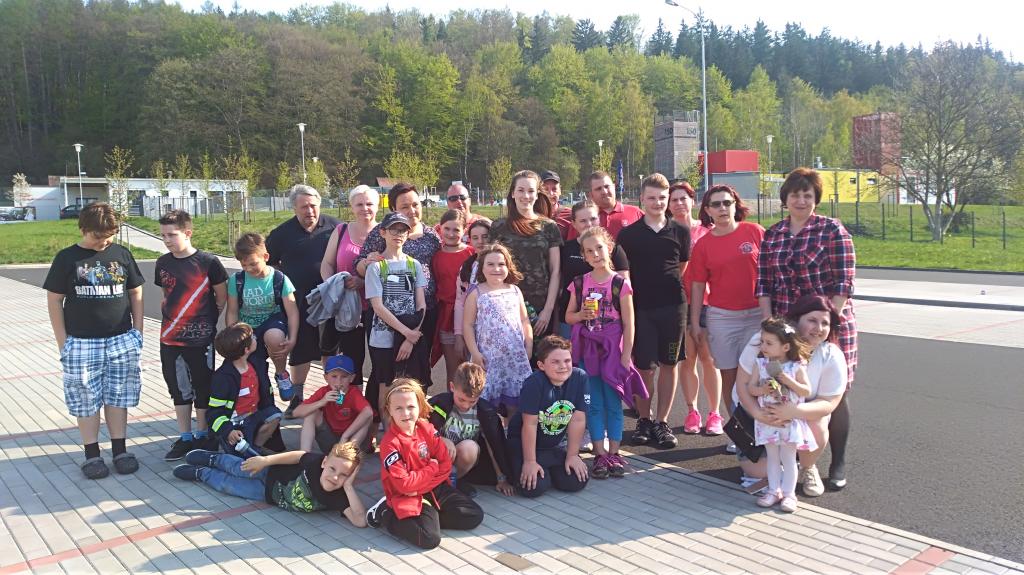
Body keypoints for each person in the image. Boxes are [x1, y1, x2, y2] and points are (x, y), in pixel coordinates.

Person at [756, 167, 856, 490]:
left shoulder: (832, 230)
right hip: (787, 328)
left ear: (816, 199)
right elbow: (764, 283)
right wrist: (770, 327)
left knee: (832, 394)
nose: (801, 200)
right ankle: (795, 458)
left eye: (808, 195)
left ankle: (835, 461)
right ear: (785, 199)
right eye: (795, 195)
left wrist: (825, 326)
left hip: (826, 326)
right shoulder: (773, 234)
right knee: (789, 389)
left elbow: (843, 283)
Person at [44, 202, 145, 479]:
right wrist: (63, 342)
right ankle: (92, 455)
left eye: (109, 236)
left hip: (121, 340)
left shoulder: (121, 254)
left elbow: (136, 292)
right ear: (83, 229)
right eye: (98, 236)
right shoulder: (67, 258)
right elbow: (54, 300)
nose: (104, 242)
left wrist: (138, 332)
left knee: (118, 395)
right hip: (81, 342)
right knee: (85, 397)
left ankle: (120, 450)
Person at [735, 295, 848, 497]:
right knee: (757, 472)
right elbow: (742, 386)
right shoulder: (764, 341)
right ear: (796, 320)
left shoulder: (831, 354)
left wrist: (793, 411)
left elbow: (829, 402)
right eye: (812, 320)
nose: (819, 328)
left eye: (825, 323)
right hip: (758, 415)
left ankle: (807, 465)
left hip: (797, 419)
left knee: (818, 420)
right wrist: (759, 414)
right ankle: (782, 467)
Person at [564, 227, 646, 479]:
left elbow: (629, 323)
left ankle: (615, 453)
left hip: (613, 352)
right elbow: (568, 317)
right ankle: (600, 454)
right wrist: (581, 315)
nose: (595, 254)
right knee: (593, 403)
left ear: (609, 248)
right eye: (589, 251)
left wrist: (626, 355)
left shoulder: (620, 284)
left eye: (599, 248)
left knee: (613, 402)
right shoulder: (580, 283)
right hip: (588, 351)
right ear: (584, 256)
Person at [616, 173, 690, 449]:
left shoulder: (680, 231)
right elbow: (622, 271)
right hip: (641, 309)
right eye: (652, 198)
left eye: (662, 198)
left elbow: (680, 267)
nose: (657, 202)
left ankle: (662, 421)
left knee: (670, 364)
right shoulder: (628, 235)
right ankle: (644, 420)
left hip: (673, 307)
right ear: (642, 200)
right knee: (645, 368)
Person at [365, 380, 484, 550]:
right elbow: (405, 486)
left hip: (432, 488)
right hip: (407, 495)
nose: (406, 413)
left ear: (420, 406)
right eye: (398, 408)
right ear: (389, 410)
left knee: (474, 515)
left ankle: (428, 518)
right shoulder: (390, 444)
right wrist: (432, 468)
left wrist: (421, 484)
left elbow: (445, 465)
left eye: (410, 407)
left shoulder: (426, 428)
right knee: (430, 539)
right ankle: (386, 514)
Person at [687, 185, 765, 439]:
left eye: (727, 203)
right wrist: (695, 322)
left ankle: (761, 430)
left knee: (756, 375)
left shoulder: (755, 232)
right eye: (716, 204)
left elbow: (771, 272)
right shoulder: (703, 245)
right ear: (708, 210)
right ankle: (740, 434)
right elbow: (697, 286)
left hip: (756, 315)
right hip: (722, 318)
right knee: (730, 376)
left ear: (735, 205)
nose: (722, 208)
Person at [155, 209, 228, 460]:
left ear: (187, 233)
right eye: (163, 235)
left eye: (172, 235)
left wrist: (206, 322)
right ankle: (185, 436)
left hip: (200, 339)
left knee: (202, 386)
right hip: (169, 338)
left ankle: (202, 434)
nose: (167, 240)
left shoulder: (208, 262)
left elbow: (221, 297)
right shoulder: (162, 263)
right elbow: (167, 295)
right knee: (178, 388)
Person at [356, 183, 442, 389]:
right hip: (386, 316)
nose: (412, 210)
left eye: (415, 204)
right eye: (405, 206)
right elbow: (359, 265)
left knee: (418, 368)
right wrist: (368, 262)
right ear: (394, 208)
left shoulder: (432, 235)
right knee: (384, 373)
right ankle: (382, 408)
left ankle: (414, 406)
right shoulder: (381, 232)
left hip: (422, 313)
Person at [266, 185, 341, 417]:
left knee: (331, 349)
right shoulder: (281, 234)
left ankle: (334, 397)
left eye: (313, 206)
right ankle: (297, 399)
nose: (310, 211)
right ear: (294, 208)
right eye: (304, 207)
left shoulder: (336, 227)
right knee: (300, 351)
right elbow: (268, 264)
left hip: (330, 301)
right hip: (297, 303)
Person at [172, 440, 368, 526]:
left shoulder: (338, 496)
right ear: (325, 462)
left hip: (266, 494)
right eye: (332, 469)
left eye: (344, 475)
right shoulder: (316, 463)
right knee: (236, 467)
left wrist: (348, 487)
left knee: (228, 485)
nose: (335, 478)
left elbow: (360, 521)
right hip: (270, 471)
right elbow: (297, 456)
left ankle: (202, 474)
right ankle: (213, 459)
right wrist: (265, 460)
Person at [507, 336, 590, 498]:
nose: (563, 366)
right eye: (555, 362)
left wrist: (572, 455)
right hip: (526, 444)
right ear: (541, 365)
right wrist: (530, 462)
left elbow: (578, 419)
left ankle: (549, 469)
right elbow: (530, 424)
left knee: (575, 481)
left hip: (552, 445)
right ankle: (531, 466)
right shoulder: (534, 383)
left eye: (567, 361)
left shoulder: (580, 378)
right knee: (533, 487)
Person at [748, 317, 815, 513]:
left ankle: (789, 494)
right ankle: (773, 490)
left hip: (789, 421)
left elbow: (806, 391)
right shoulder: (760, 364)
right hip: (768, 419)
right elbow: (751, 388)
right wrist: (762, 390)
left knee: (788, 457)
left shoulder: (796, 366)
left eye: (769, 343)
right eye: (762, 342)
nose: (764, 346)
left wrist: (787, 380)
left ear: (786, 347)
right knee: (772, 457)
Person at [670, 182, 722, 435]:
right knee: (687, 359)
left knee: (709, 360)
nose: (679, 203)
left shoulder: (707, 231)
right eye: (674, 199)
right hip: (680, 303)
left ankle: (715, 413)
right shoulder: (667, 232)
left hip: (707, 303)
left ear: (693, 201)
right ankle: (692, 411)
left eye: (684, 198)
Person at [365, 212, 429, 415]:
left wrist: (410, 338)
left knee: (409, 383)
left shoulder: (414, 265)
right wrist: (406, 332)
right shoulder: (376, 268)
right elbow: (378, 307)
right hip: (383, 337)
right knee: (385, 384)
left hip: (409, 336)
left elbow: (421, 304)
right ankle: (386, 426)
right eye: (394, 230)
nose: (398, 235)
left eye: (403, 230)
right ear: (383, 232)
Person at [319, 185, 380, 388]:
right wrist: (333, 286)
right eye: (359, 204)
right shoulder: (341, 230)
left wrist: (363, 282)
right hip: (345, 308)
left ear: (378, 206)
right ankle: (350, 400)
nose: (365, 208)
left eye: (369, 203)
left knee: (379, 360)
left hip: (377, 308)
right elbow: (327, 264)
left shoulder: (385, 233)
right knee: (351, 360)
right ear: (352, 207)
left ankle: (373, 402)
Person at [225, 232, 299, 401]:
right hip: (248, 326)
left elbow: (292, 312)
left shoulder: (279, 279)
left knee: (275, 338)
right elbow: (232, 311)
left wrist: (293, 338)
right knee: (255, 365)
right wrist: (233, 335)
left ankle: (281, 373)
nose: (248, 269)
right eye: (244, 265)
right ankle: (262, 394)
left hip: (272, 321)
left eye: (253, 264)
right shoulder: (237, 280)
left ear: (265, 257)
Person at [462, 243, 534, 415]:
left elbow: (524, 320)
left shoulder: (514, 291)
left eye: (501, 264)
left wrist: (529, 345)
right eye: (490, 264)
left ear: (508, 267)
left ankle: (511, 429)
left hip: (514, 357)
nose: (496, 269)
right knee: (487, 403)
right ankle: (490, 430)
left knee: (515, 403)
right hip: (488, 358)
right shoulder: (476, 293)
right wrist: (475, 353)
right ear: (482, 267)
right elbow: (467, 325)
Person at [490, 170, 562, 337]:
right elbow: (491, 268)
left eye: (530, 191)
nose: (526, 196)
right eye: (521, 190)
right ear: (513, 193)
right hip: (506, 305)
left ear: (537, 195)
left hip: (541, 308)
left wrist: (547, 311)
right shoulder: (499, 227)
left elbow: (556, 271)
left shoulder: (549, 226)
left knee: (542, 353)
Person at [428, 362, 515, 497]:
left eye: (472, 401)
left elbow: (493, 445)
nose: (466, 405)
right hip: (437, 456)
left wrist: (501, 478)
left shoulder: (485, 412)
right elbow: (421, 430)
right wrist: (440, 439)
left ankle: (452, 481)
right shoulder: (439, 403)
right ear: (452, 387)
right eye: (461, 399)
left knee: (469, 447)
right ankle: (434, 481)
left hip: (462, 460)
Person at [207, 323, 283, 457]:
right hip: (234, 424)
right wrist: (227, 431)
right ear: (246, 349)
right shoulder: (223, 378)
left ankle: (256, 448)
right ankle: (223, 456)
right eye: (252, 337)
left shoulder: (257, 365)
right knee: (239, 459)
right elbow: (213, 413)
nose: (256, 337)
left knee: (275, 415)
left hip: (254, 416)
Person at [557, 200, 630, 339]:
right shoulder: (565, 249)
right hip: (571, 317)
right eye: (583, 221)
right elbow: (558, 279)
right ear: (574, 224)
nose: (589, 224)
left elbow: (623, 286)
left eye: (593, 219)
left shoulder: (613, 248)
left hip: (606, 321)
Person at [291, 355, 373, 454]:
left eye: (344, 377)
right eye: (334, 376)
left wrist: (345, 436)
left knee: (368, 417)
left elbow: (368, 412)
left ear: (351, 378)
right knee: (311, 413)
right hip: (330, 440)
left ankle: (347, 454)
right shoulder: (323, 392)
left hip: (351, 440)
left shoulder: (354, 393)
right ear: (326, 378)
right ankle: (304, 455)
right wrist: (321, 402)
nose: (338, 382)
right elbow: (296, 413)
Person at [431, 209, 476, 384]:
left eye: (456, 230)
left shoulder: (472, 253)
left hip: (471, 314)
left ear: (464, 230)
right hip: (446, 316)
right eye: (447, 229)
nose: (451, 234)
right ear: (440, 228)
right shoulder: (436, 256)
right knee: (453, 368)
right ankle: (453, 399)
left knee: (472, 367)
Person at [453, 220, 491, 358]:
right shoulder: (467, 268)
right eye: (475, 238)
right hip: (473, 334)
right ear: (470, 240)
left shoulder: (501, 266)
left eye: (485, 236)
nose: (480, 241)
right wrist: (459, 334)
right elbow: (460, 302)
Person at [580, 170, 643, 240]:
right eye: (598, 189)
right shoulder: (582, 218)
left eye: (607, 186)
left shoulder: (636, 213)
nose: (604, 191)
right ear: (591, 194)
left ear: (614, 187)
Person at [539, 170, 573, 239]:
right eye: (545, 189)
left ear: (560, 191)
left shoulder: (571, 214)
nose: (550, 193)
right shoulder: (532, 215)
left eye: (554, 189)